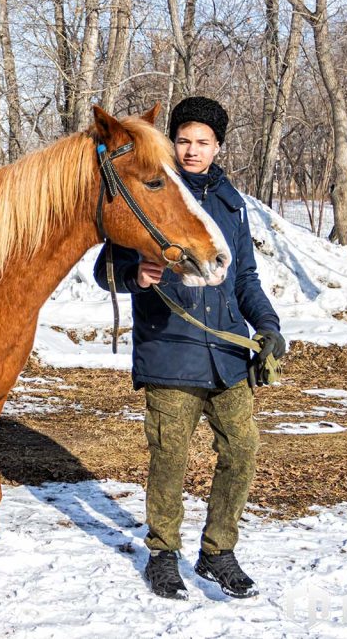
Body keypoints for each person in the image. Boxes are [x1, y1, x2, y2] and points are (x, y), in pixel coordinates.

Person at [94, 97, 286, 601]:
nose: (192, 150)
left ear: (219, 146)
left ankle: (218, 551)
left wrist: (267, 325)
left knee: (242, 452)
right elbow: (104, 270)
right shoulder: (150, 193)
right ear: (171, 143)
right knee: (169, 462)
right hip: (169, 351)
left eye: (203, 142)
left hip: (226, 357)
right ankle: (162, 553)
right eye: (183, 140)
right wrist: (136, 275)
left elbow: (244, 275)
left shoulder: (230, 202)